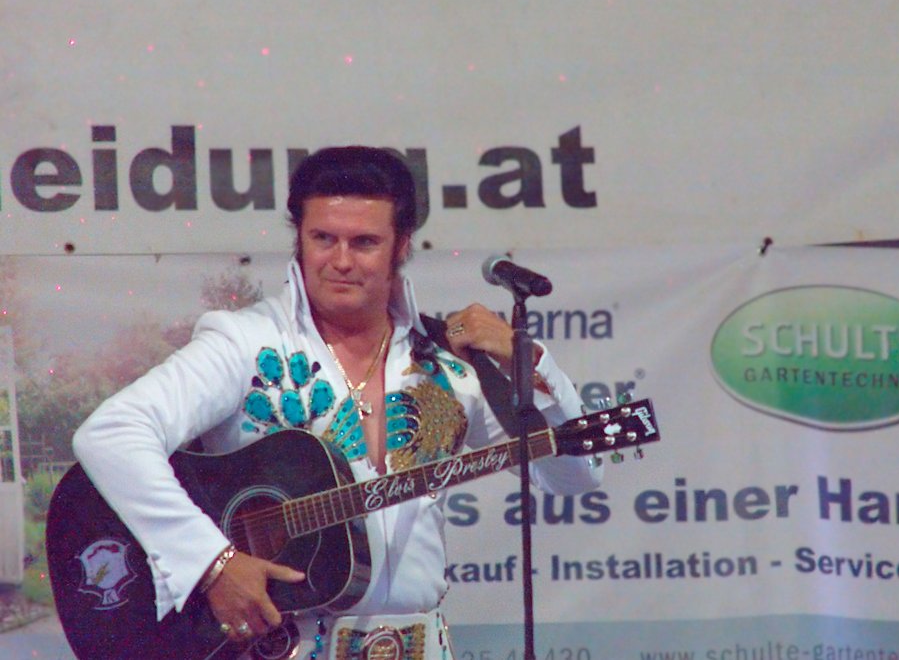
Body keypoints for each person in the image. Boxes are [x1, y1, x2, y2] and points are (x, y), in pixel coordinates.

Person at [72, 146, 603, 659]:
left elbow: (573, 476)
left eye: (364, 242)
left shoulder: (448, 361)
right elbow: (112, 434)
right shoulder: (247, 343)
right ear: (299, 240)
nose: (341, 261)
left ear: (401, 246)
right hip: (279, 646)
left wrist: (530, 362)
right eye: (323, 238)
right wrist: (213, 563)